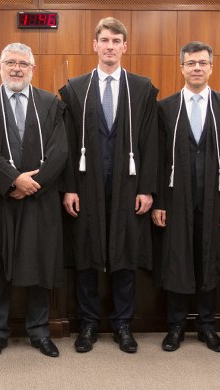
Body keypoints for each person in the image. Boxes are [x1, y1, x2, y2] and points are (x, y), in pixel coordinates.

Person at [59, 17, 158, 354]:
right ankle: (87, 323)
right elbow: (67, 143)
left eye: (117, 41)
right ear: (94, 45)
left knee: (125, 253)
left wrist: (147, 188)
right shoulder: (75, 88)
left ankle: (122, 324)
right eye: (105, 40)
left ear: (125, 47)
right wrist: (69, 187)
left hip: (128, 186)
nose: (110, 46)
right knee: (87, 254)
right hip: (87, 185)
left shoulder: (143, 89)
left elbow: (151, 142)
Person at [0, 42, 68, 358]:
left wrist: (31, 183)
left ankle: (39, 331)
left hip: (39, 199)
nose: (16, 68)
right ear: (0, 66)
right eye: (10, 62)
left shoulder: (50, 104)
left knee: (39, 263)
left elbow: (59, 150)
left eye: (23, 63)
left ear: (32, 69)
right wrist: (13, 180)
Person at [152, 41, 220, 353]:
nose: (197, 68)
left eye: (203, 63)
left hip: (214, 199)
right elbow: (158, 159)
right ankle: (176, 326)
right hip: (176, 199)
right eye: (191, 63)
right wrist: (159, 202)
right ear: (181, 68)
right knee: (178, 260)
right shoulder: (165, 108)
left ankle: (207, 326)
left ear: (211, 67)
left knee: (209, 260)